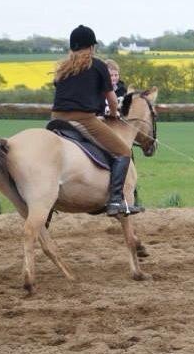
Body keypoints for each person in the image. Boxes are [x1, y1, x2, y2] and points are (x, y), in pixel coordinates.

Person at [50, 25, 142, 216]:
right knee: (123, 151)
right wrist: (114, 112)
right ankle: (116, 200)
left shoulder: (62, 68)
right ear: (91, 47)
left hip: (55, 119)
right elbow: (112, 99)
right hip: (84, 120)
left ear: (72, 47)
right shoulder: (98, 65)